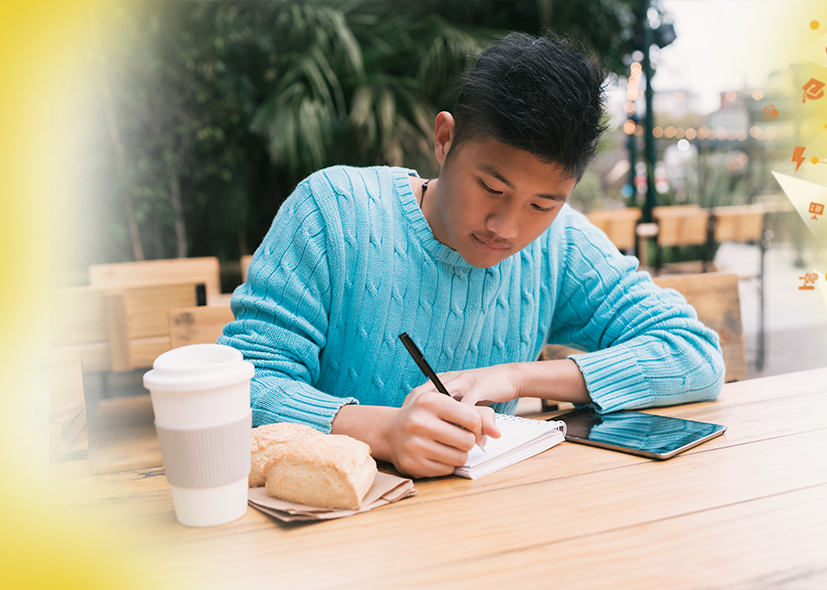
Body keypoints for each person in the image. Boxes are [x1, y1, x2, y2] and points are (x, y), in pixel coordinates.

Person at [220, 32, 724, 478]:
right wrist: (385, 431)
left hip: (484, 530)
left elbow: (694, 353)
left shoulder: (560, 243)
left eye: (542, 204)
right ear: (445, 140)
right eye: (490, 187)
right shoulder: (333, 212)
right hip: (330, 528)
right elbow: (242, 382)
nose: (507, 228)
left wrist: (514, 374)